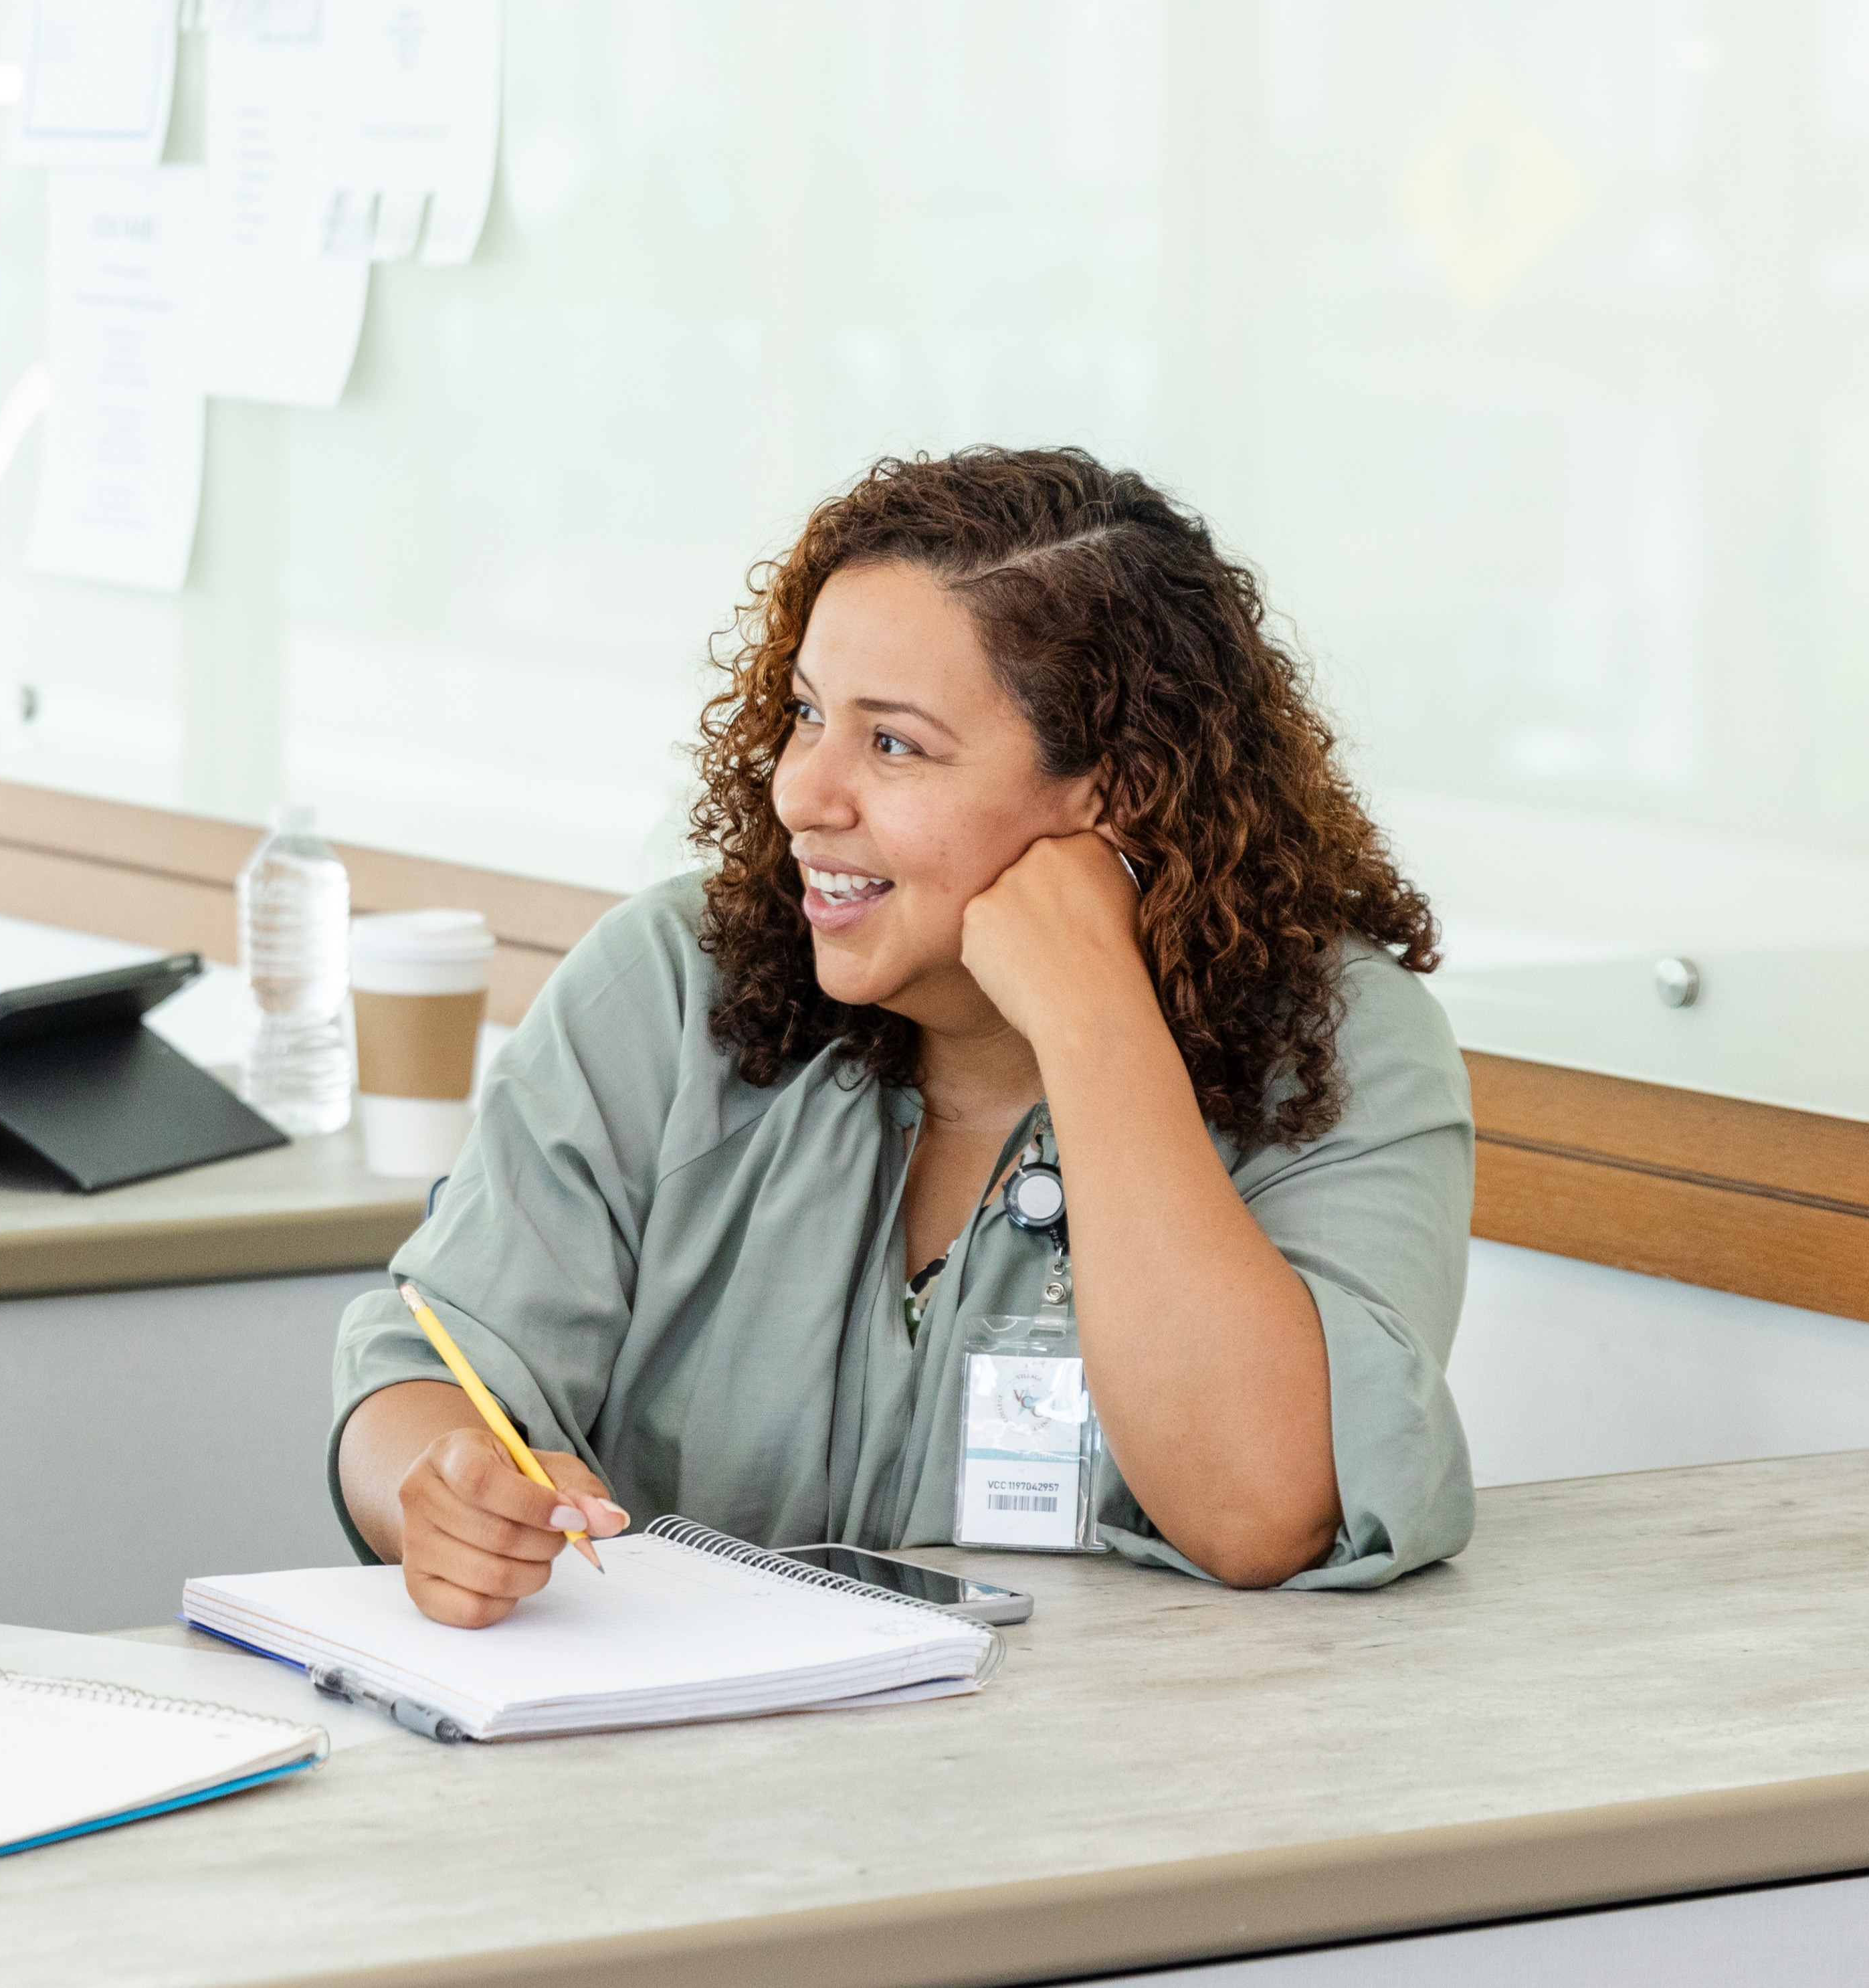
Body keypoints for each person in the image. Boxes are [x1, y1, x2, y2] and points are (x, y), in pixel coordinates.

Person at [330, 448, 1472, 1623]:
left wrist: (1092, 1015)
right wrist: (445, 1486)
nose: (803, 795)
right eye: (809, 714)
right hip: (696, 1781)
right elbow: (423, 1366)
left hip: (1114, 1793)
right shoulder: (673, 981)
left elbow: (1262, 1510)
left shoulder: (1340, 1046)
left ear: (1116, 786)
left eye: (894, 745)